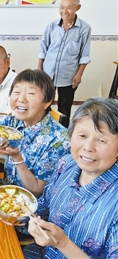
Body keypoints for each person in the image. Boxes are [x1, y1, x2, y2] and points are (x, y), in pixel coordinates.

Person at [23, 98, 118, 258]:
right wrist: (22, 216)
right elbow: (44, 205)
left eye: (101, 140)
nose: (88, 147)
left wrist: (63, 244)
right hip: (42, 252)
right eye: (82, 135)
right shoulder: (66, 163)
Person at [0, 69, 70, 197]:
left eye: (31, 93)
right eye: (16, 92)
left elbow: (36, 189)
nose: (21, 99)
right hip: (5, 191)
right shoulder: (13, 121)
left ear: (47, 101)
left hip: (30, 208)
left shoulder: (59, 140)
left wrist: (17, 158)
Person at [38, 0, 91, 123]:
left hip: (68, 76)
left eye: (69, 7)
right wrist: (39, 68)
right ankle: (43, 131)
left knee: (64, 109)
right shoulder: (51, 26)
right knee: (43, 105)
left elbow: (84, 55)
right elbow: (43, 49)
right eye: (62, 7)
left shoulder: (84, 28)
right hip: (47, 73)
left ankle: (63, 135)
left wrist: (79, 75)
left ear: (77, 8)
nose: (64, 11)